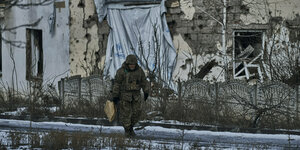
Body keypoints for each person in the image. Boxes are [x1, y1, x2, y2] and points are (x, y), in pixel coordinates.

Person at [112, 54, 149, 137]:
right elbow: (117, 84)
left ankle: (131, 128)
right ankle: (127, 131)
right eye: (130, 64)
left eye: (133, 64)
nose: (132, 66)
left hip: (136, 96)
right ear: (127, 64)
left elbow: (144, 81)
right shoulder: (121, 71)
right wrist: (115, 96)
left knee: (137, 113)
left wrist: (146, 91)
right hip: (124, 96)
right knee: (126, 115)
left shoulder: (139, 71)